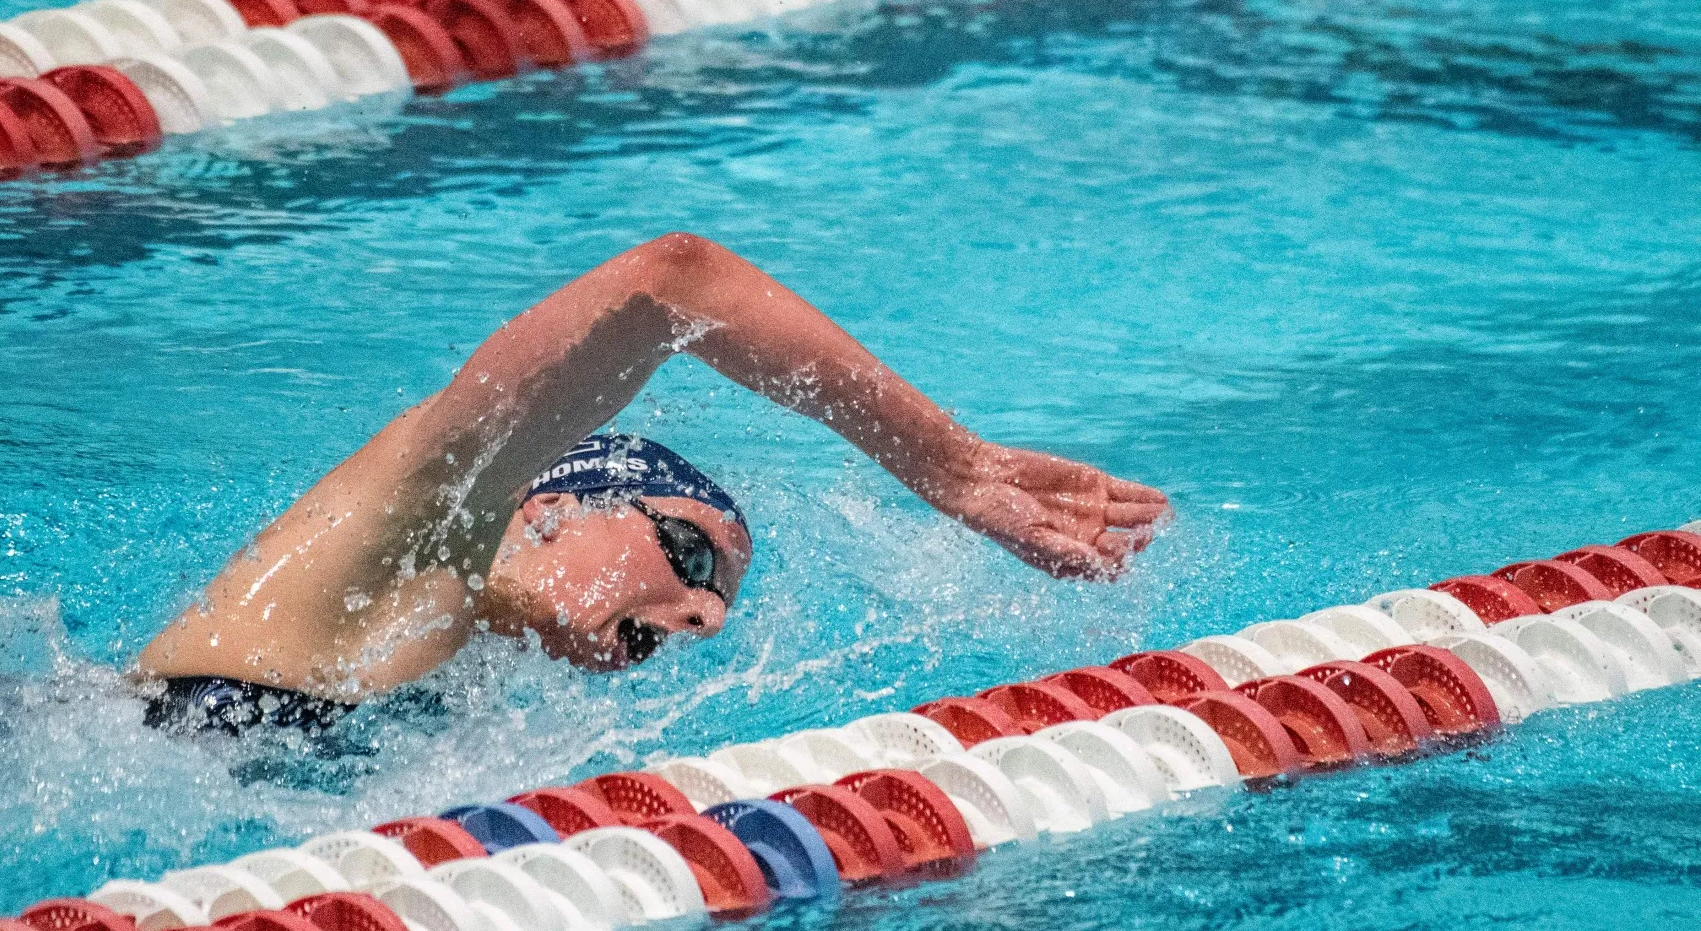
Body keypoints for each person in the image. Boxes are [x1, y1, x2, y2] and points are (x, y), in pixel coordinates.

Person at [136, 233, 1168, 733]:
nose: (705, 619)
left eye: (715, 598)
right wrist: (951, 467)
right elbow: (673, 281)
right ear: (545, 506)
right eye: (687, 554)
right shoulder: (422, 531)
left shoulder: (451, 670)